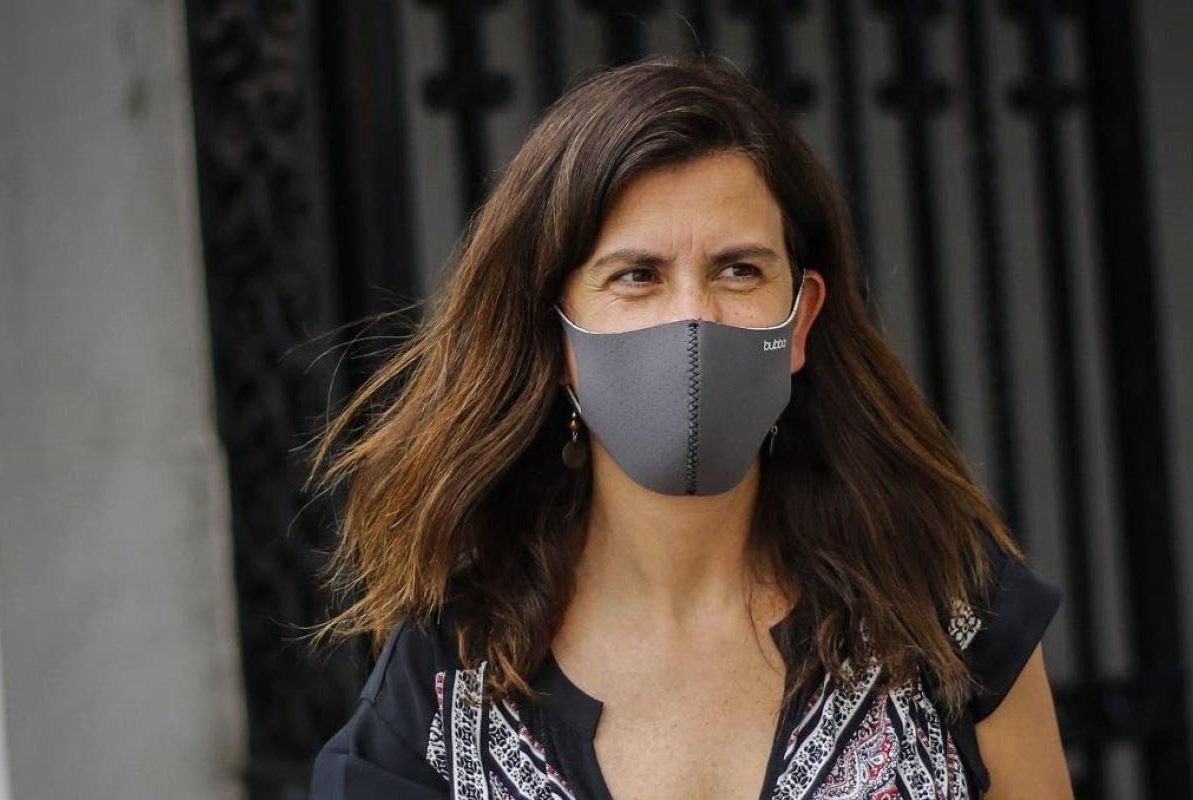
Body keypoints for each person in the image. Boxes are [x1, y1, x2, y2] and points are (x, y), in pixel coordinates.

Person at [303, 52, 1071, 799]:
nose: (695, 317)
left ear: (800, 321)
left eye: (739, 270)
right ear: (553, 335)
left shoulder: (945, 611)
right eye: (637, 276)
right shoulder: (444, 679)